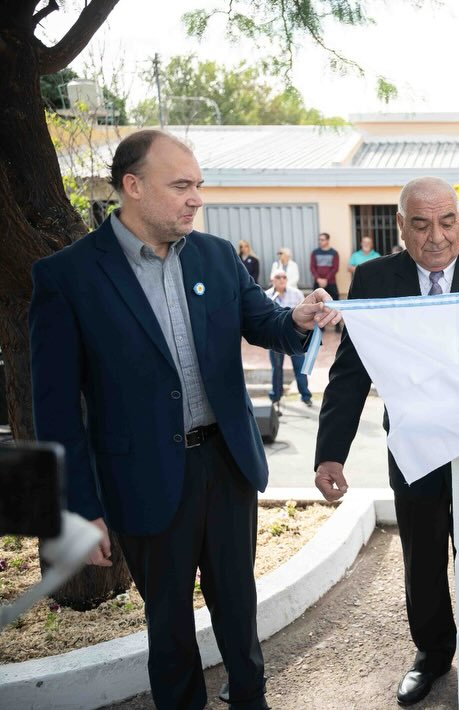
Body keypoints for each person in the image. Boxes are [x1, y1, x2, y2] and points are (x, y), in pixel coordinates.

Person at [28, 129, 341, 710]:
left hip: (227, 463)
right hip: (142, 476)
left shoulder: (216, 256)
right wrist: (80, 507)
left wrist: (296, 319)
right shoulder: (68, 277)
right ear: (133, 186)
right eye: (180, 186)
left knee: (238, 607)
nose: (196, 198)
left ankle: (250, 699)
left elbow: (263, 322)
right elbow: (56, 409)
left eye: (198, 184)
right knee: (168, 623)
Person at [314, 176, 459, 707]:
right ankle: (433, 654)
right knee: (422, 558)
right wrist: (330, 453)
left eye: (447, 222)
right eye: (421, 225)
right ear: (401, 226)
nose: (436, 237)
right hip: (415, 449)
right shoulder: (374, 280)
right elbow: (351, 372)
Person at [265, 271, 314, 406]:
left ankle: (305, 395)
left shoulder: (296, 294)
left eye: (284, 277)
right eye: (278, 277)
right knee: (276, 368)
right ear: (272, 280)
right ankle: (276, 396)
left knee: (300, 367)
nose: (282, 279)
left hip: (294, 337)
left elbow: (305, 314)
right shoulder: (267, 296)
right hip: (275, 338)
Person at [309, 232, 341, 300]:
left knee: (334, 301)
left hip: (331, 282)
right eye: (319, 240)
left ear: (327, 241)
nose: (320, 241)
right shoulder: (315, 253)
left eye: (322, 240)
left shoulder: (334, 253)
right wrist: (318, 279)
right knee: (316, 301)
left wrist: (326, 279)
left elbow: (335, 268)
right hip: (318, 282)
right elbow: (312, 267)